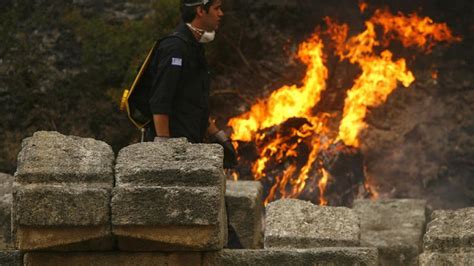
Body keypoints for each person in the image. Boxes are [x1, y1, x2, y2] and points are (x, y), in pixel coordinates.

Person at [144, 0, 237, 168]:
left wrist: (220, 137)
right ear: (200, 10)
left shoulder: (194, 47)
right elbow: (160, 102)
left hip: (189, 146)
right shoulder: (175, 48)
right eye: (216, 8)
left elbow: (194, 102)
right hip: (174, 152)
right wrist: (165, 149)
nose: (221, 14)